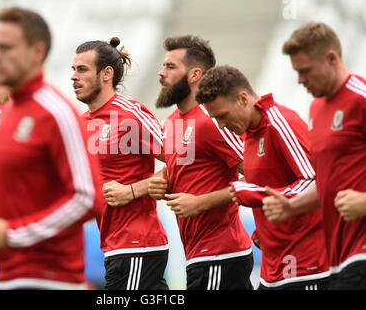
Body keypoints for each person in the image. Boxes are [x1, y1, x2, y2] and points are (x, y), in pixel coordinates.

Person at [0, 7, 103, 290]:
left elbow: (87, 198)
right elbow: (11, 198)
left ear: (37, 52)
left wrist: (12, 234)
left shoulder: (56, 112)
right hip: (7, 275)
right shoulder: (8, 114)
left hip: (52, 279)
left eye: (7, 47)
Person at [170, 65, 331, 289]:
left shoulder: (280, 123)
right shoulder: (249, 135)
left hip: (307, 267)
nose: (222, 125)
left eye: (223, 116)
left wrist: (251, 192)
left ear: (243, 98)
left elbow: (318, 182)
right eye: (216, 119)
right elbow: (277, 184)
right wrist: (265, 229)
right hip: (274, 266)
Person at [263, 21, 366, 289]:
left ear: (331, 58)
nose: (299, 80)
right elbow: (328, 183)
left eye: (305, 71)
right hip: (336, 259)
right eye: (296, 72)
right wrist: (291, 207)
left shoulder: (361, 99)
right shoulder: (316, 109)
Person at [149, 35, 253, 290]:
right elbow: (189, 176)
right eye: (163, 66)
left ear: (195, 74)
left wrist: (200, 202)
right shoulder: (171, 121)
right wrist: (160, 185)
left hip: (221, 254)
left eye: (170, 67)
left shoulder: (212, 119)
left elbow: (257, 174)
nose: (161, 74)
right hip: (197, 254)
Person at [71, 37, 169, 290]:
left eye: (82, 69)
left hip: (138, 244)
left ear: (106, 74)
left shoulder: (129, 114)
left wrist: (133, 190)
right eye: (73, 69)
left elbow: (184, 162)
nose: (73, 76)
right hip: (114, 245)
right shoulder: (81, 124)